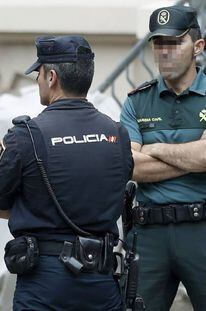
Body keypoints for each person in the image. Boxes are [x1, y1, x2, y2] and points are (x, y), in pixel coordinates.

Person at [0, 35, 133, 310]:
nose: (38, 81)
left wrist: (34, 207)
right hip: (102, 281)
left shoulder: (24, 137)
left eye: (38, 74)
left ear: (51, 76)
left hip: (45, 283)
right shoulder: (118, 134)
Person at [120, 5, 206, 310]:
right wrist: (190, 155)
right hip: (149, 233)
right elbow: (130, 165)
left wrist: (152, 149)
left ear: (198, 46)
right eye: (158, 43)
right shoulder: (137, 101)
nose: (164, 52)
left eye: (173, 43)